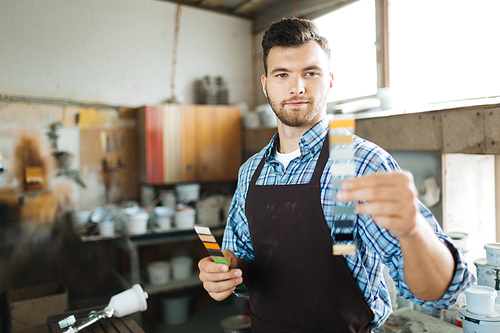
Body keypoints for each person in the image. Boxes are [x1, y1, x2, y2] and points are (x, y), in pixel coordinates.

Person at [198, 17, 474, 332]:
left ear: (329, 80)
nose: (296, 86)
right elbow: (241, 262)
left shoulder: (358, 163)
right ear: (265, 84)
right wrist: (225, 274)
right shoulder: (251, 171)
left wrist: (414, 232)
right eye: (282, 74)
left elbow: (438, 294)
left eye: (310, 73)